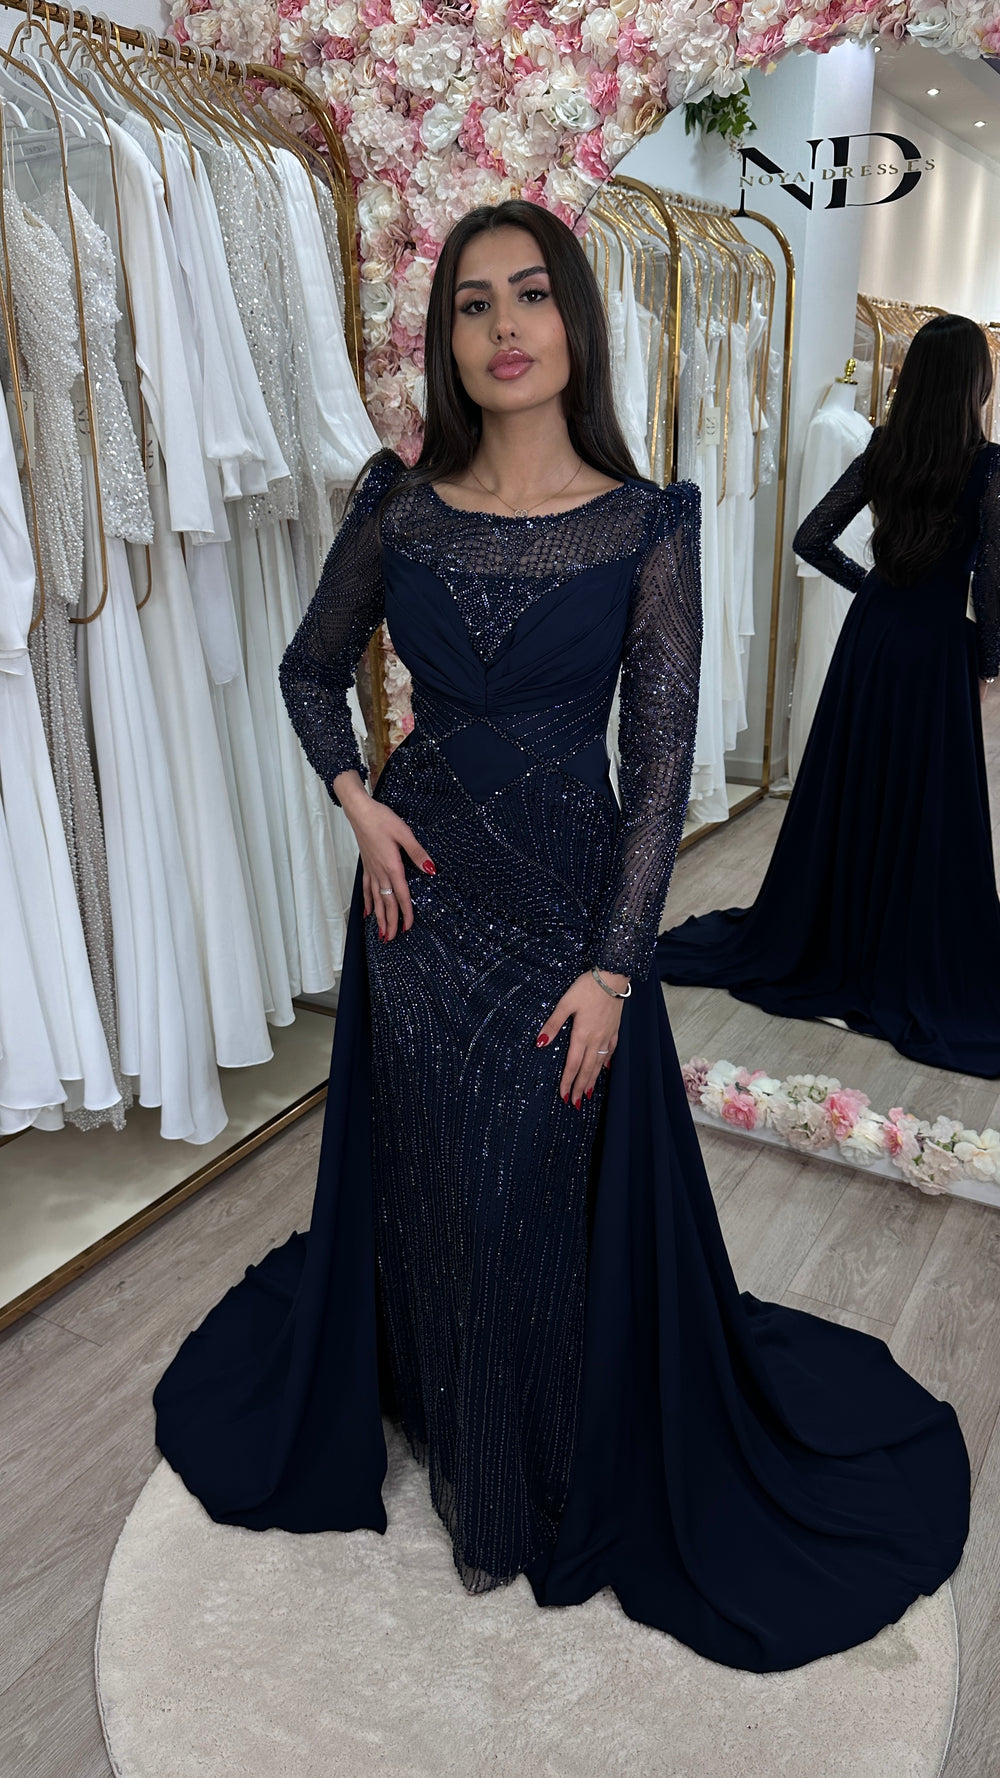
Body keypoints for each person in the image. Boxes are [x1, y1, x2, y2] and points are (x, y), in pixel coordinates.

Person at [154, 207, 969, 1675]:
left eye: (529, 295)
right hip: (416, 902)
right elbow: (308, 669)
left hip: (567, 908)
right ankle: (441, 1382)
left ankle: (539, 1426)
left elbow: (655, 766)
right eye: (472, 304)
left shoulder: (648, 521)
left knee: (535, 1162)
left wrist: (614, 966)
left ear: (576, 321)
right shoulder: (398, 504)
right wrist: (355, 799)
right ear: (448, 339)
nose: (503, 326)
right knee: (434, 1160)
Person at [656, 314, 1000, 1078]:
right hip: (935, 648)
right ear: (975, 383)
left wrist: (871, 587)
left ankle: (838, 926)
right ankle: (901, 940)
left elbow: (811, 536)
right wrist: (986, 661)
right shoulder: (987, 466)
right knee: (927, 798)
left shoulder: (884, 448)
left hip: (873, 639)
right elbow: (992, 584)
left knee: (858, 781)